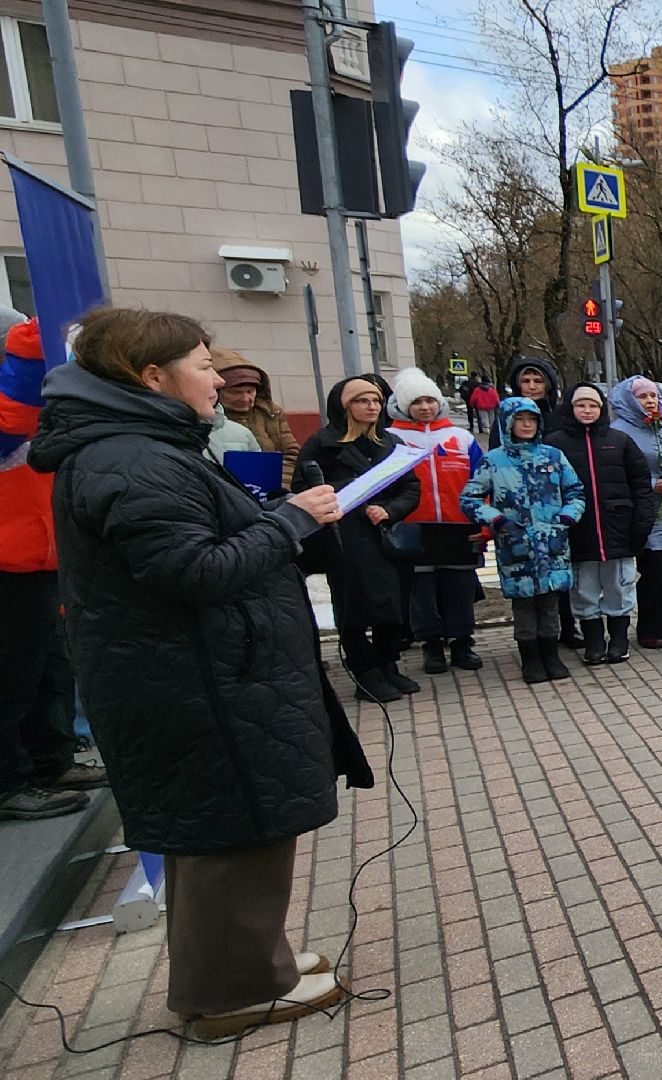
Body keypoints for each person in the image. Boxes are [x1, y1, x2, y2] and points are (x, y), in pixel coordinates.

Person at [29, 306, 370, 1035]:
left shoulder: (138, 446)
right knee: (232, 829)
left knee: (224, 829)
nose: (217, 379)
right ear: (152, 376)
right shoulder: (132, 459)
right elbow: (192, 570)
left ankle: (247, 966)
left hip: (204, 674)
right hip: (200, 681)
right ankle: (235, 994)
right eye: (204, 366)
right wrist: (291, 522)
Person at [2, 317, 105, 823]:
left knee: (50, 670)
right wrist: (41, 329)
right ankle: (8, 783)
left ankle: (51, 761)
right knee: (11, 676)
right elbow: (14, 416)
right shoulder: (12, 406)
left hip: (39, 558)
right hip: (8, 564)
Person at [298, 374, 423, 705]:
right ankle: (365, 672)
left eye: (376, 401)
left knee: (393, 607)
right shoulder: (322, 444)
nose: (372, 407)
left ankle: (388, 664)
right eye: (363, 401)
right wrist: (351, 493)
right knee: (354, 608)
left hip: (388, 538)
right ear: (345, 406)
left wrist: (390, 510)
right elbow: (303, 489)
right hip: (345, 540)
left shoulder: (391, 443)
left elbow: (411, 488)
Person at [462, 398, 584, 683]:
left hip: (552, 545)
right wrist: (498, 521)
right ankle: (530, 658)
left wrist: (566, 518)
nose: (527, 425)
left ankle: (551, 655)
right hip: (516, 546)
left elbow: (576, 492)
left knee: (550, 604)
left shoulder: (553, 456)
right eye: (520, 419)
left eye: (531, 419)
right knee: (524, 605)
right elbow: (469, 498)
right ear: (508, 423)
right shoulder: (494, 460)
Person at [546, 384, 656, 664]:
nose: (587, 410)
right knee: (583, 590)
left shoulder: (620, 441)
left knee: (619, 586)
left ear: (601, 408)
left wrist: (641, 527)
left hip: (617, 531)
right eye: (581, 405)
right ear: (570, 408)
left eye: (593, 405)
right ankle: (594, 642)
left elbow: (641, 486)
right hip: (578, 532)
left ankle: (619, 640)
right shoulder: (555, 444)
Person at [387, 367, 487, 675]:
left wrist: (485, 522)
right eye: (416, 402)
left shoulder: (461, 437)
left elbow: (482, 482)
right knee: (421, 592)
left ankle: (462, 642)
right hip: (413, 528)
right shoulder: (391, 439)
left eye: (430, 400)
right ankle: (431, 644)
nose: (425, 407)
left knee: (459, 588)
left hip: (459, 527)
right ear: (404, 406)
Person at [609, 376, 662, 649]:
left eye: (654, 396)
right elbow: (618, 475)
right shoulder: (620, 432)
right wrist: (652, 485)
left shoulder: (660, 427)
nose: (650, 401)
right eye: (643, 397)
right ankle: (650, 629)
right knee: (655, 573)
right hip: (648, 515)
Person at [215, 349, 301, 492]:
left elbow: (292, 454)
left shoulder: (271, 413)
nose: (245, 399)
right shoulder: (210, 420)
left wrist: (279, 486)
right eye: (235, 392)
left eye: (250, 391)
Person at [466, 378, 500, 445]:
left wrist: (472, 403)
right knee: (491, 417)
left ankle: (486, 428)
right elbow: (496, 398)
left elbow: (473, 398)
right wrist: (497, 404)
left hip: (481, 406)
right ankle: (492, 429)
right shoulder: (492, 390)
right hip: (491, 406)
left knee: (484, 418)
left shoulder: (477, 389)